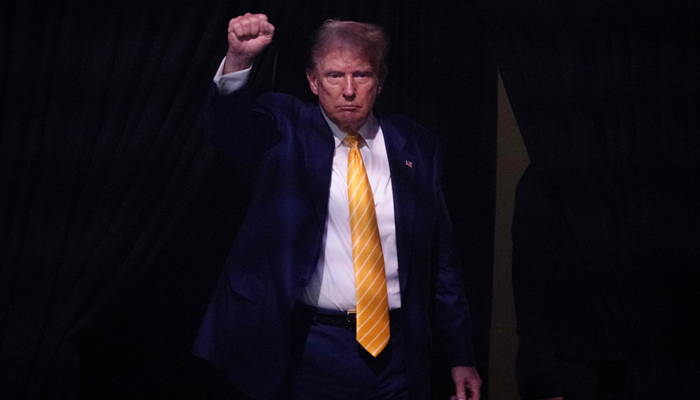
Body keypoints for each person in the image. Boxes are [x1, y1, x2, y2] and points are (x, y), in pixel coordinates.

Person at [193, 13, 481, 400]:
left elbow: (442, 261)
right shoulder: (285, 126)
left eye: (361, 75)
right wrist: (238, 60)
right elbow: (225, 131)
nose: (348, 89)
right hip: (311, 349)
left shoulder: (416, 145)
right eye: (334, 76)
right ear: (313, 81)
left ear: (379, 82)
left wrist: (461, 355)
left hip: (398, 355)